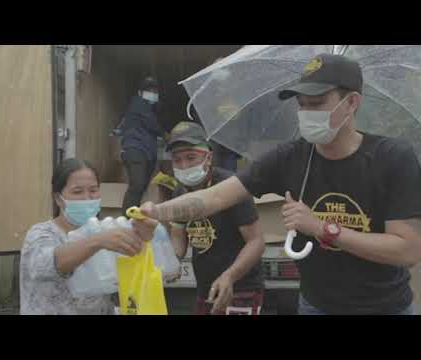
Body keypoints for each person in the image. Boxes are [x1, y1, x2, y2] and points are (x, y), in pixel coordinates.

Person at [139, 54, 421, 315]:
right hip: (315, 306)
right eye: (301, 104)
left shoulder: (393, 158)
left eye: (318, 102)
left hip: (385, 307)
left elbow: (407, 251)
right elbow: (213, 198)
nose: (307, 112)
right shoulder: (290, 157)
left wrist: (323, 229)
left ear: (351, 103)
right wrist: (157, 212)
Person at [135, 121, 265, 315]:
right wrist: (172, 261)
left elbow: (256, 242)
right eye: (177, 160)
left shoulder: (232, 187)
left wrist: (229, 276)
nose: (184, 165)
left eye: (191, 157)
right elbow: (179, 235)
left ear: (209, 157)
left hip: (239, 288)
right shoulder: (179, 191)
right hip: (205, 289)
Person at [20, 159, 154, 315]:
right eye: (77, 192)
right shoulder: (41, 234)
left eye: (93, 190)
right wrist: (97, 241)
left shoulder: (104, 230)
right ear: (58, 199)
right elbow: (46, 265)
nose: (87, 198)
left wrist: (145, 235)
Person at [121, 76, 166, 215]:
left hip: (146, 153)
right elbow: (151, 124)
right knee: (137, 185)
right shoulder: (138, 103)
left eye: (154, 90)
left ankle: (135, 216)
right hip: (135, 150)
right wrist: (167, 135)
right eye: (148, 90)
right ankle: (126, 220)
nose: (152, 93)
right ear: (140, 93)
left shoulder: (150, 108)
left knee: (141, 187)